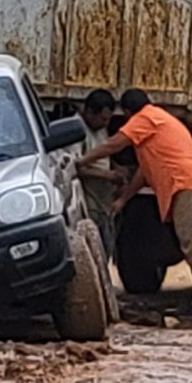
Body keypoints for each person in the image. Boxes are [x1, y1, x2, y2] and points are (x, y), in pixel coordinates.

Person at [77, 87, 192, 320]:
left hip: (189, 186)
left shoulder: (144, 118)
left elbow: (113, 145)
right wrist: (123, 200)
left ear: (128, 113)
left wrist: (82, 161)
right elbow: (143, 173)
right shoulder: (160, 121)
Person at [78, 88, 121, 267]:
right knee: (94, 249)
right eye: (103, 119)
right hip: (89, 199)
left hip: (103, 199)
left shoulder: (100, 129)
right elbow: (75, 167)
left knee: (106, 246)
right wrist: (106, 175)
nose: (106, 123)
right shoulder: (78, 130)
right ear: (89, 112)